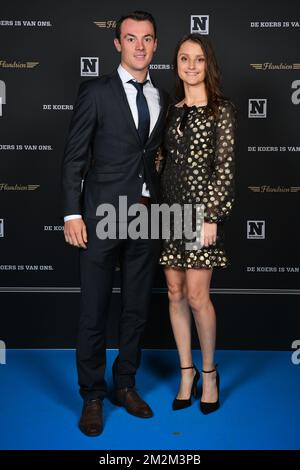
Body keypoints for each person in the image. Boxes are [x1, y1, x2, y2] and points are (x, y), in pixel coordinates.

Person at [61, 11, 168, 436]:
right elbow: (74, 157)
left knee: (136, 308)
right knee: (94, 310)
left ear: (156, 45)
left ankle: (125, 384)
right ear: (117, 44)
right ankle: (92, 395)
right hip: (101, 215)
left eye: (147, 39)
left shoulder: (161, 96)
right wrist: (72, 213)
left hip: (147, 215)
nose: (139, 46)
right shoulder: (95, 91)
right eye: (131, 38)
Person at [159, 34, 236, 413]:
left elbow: (224, 169)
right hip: (169, 214)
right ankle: (186, 372)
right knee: (174, 293)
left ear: (209, 65)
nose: (191, 66)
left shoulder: (221, 110)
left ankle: (209, 374)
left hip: (200, 215)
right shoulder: (171, 110)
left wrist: (212, 217)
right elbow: (161, 163)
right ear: (176, 64)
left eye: (199, 59)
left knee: (196, 296)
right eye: (184, 59)